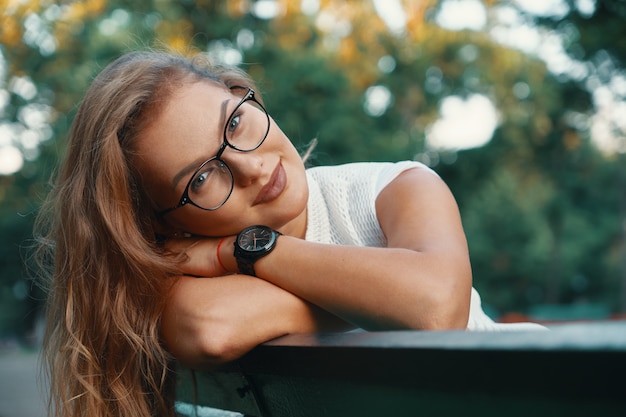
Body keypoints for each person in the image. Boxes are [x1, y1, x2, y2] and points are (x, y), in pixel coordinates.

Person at [34, 49, 545, 417]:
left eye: (235, 122)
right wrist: (386, 297)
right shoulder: (185, 286)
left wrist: (244, 251)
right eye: (203, 177)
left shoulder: (396, 189)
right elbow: (209, 327)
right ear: (167, 225)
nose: (252, 167)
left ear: (246, 97)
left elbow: (436, 307)